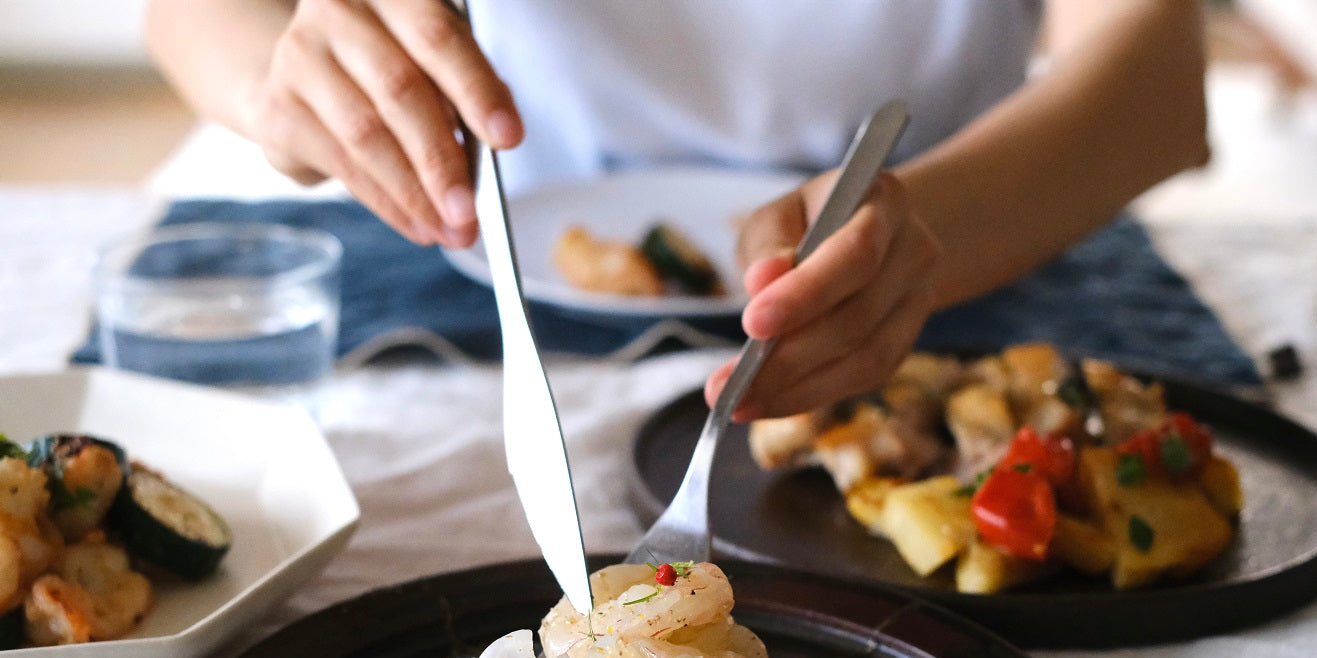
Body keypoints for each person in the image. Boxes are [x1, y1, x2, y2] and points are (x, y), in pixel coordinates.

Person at [143, 0, 1208, 420]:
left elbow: (1157, 69)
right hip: (491, 264)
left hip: (963, 258)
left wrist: (926, 232)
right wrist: (276, 90)